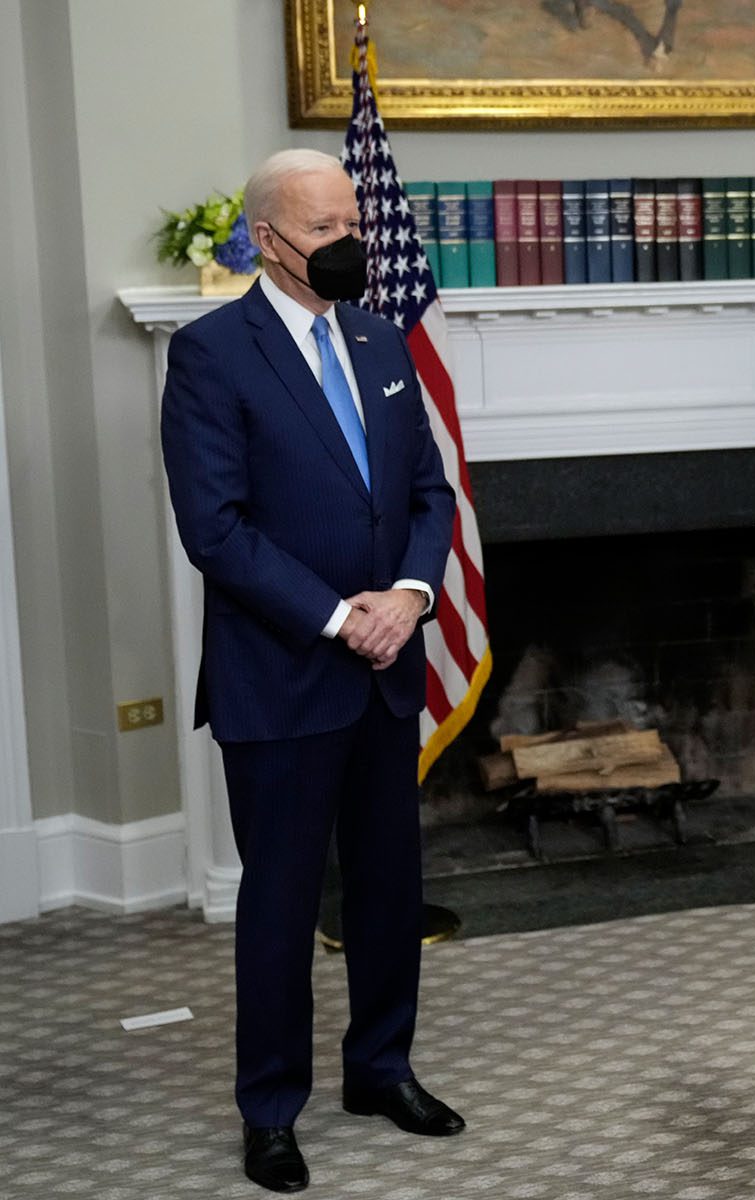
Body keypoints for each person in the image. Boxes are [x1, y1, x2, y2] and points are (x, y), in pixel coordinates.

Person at [161, 149, 462, 1194]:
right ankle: (270, 1110)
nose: (351, 245)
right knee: (283, 903)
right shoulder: (210, 356)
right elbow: (218, 530)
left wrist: (412, 598)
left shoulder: (381, 339)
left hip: (387, 665)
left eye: (355, 224)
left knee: (389, 888)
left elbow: (428, 494)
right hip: (283, 674)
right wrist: (343, 616)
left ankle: (381, 1069)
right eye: (327, 230)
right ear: (270, 240)